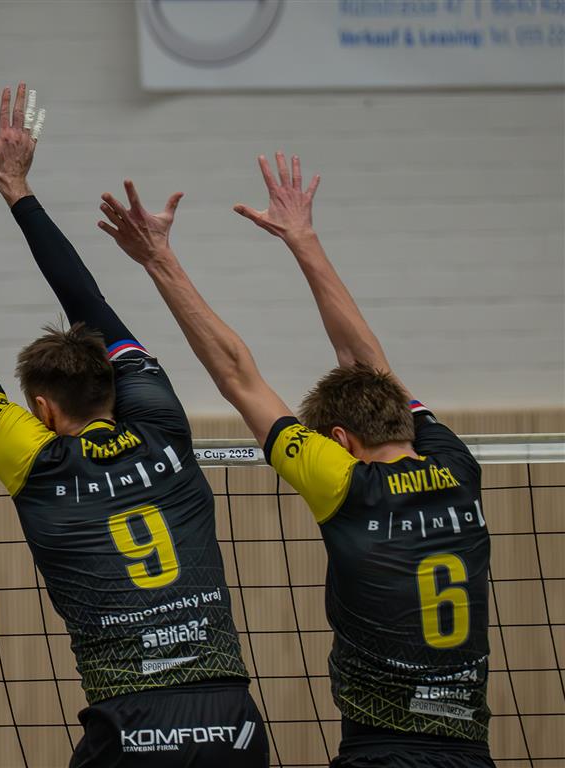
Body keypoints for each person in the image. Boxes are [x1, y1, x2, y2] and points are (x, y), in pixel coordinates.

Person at [0, 87, 266, 767]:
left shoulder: (38, 462)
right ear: (116, 380)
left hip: (132, 726)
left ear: (42, 412)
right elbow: (90, 300)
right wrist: (17, 188)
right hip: (232, 720)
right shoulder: (162, 423)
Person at [103, 153, 491, 767]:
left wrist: (158, 260)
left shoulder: (345, 482)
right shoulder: (457, 466)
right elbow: (368, 364)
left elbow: (237, 376)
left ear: (338, 440)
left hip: (381, 754)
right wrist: (304, 239)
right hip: (470, 753)